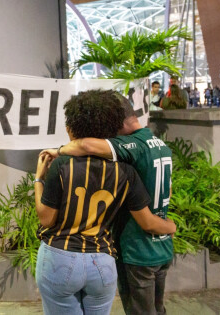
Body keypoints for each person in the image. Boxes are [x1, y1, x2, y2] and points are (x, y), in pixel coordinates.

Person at [35, 90, 176, 315]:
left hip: (74, 255)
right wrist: (170, 226)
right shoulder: (131, 168)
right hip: (106, 261)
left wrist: (39, 177)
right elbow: (157, 202)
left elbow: (46, 218)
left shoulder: (63, 165)